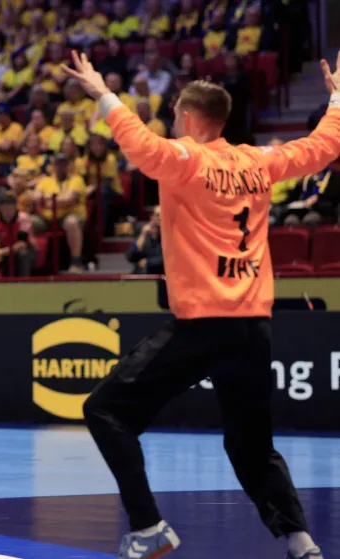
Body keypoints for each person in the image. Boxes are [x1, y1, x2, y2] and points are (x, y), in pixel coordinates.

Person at [62, 51, 340, 559]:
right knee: (252, 446)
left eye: (174, 117)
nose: (172, 125)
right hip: (254, 327)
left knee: (105, 411)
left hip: (204, 324)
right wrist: (338, 98)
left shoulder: (187, 159)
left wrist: (101, 91)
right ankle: (302, 544)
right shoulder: (258, 161)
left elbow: (141, 147)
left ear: (188, 118)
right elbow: (322, 147)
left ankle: (147, 528)